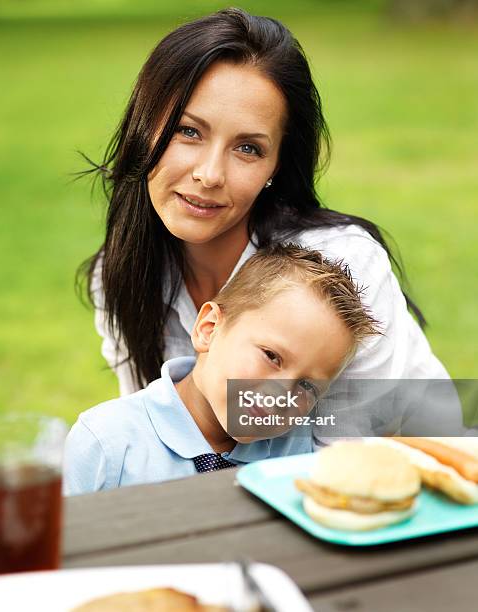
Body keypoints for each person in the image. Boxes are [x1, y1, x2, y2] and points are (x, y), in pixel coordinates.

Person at [76, 8, 452, 445]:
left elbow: (347, 467)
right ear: (144, 128)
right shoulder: (121, 273)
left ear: (275, 165)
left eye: (249, 148)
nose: (210, 174)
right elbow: (147, 440)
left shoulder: (342, 268)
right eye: (189, 132)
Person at [64, 245, 380, 494]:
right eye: (271, 356)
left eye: (308, 387)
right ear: (209, 328)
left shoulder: (299, 454)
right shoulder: (106, 442)